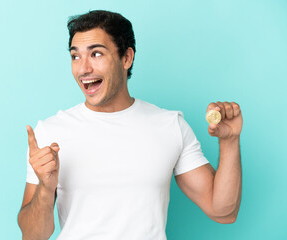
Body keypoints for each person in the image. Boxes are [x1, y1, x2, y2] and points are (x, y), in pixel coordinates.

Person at [17, 10, 243, 240]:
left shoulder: (169, 125)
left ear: (126, 58)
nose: (83, 68)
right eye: (75, 56)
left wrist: (230, 141)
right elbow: (32, 235)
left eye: (96, 54)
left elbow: (223, 212)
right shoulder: (50, 132)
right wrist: (45, 188)